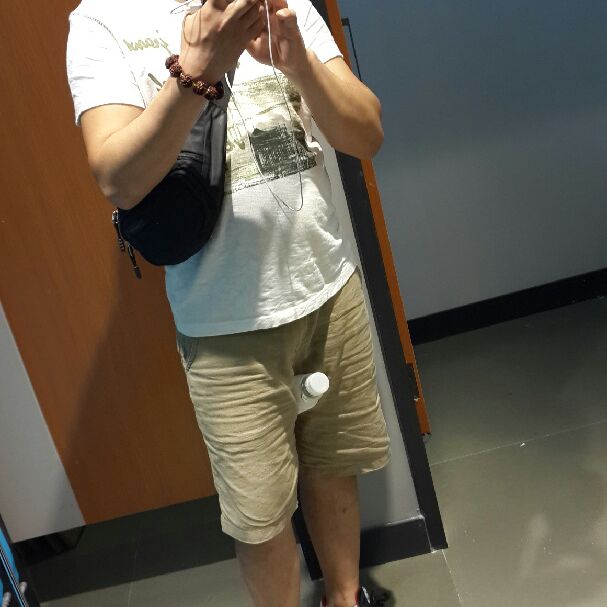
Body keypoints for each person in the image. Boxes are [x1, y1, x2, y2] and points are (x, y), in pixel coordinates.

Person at [66, 1, 391, 605]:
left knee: (333, 463)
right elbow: (118, 180)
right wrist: (195, 72)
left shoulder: (282, 3)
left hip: (327, 284)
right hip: (223, 326)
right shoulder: (100, 20)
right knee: (260, 516)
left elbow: (366, 134)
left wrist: (300, 66)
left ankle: (345, 598)